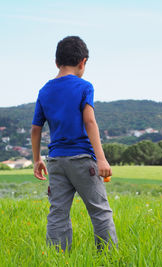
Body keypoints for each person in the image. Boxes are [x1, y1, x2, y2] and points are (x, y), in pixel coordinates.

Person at [31, 36, 118, 252]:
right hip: (82, 160)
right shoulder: (84, 86)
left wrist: (36, 160)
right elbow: (89, 121)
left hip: (56, 162)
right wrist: (101, 158)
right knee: (100, 211)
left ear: (56, 62)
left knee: (58, 212)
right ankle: (108, 258)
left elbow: (35, 129)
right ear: (83, 62)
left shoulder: (44, 91)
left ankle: (58, 259)